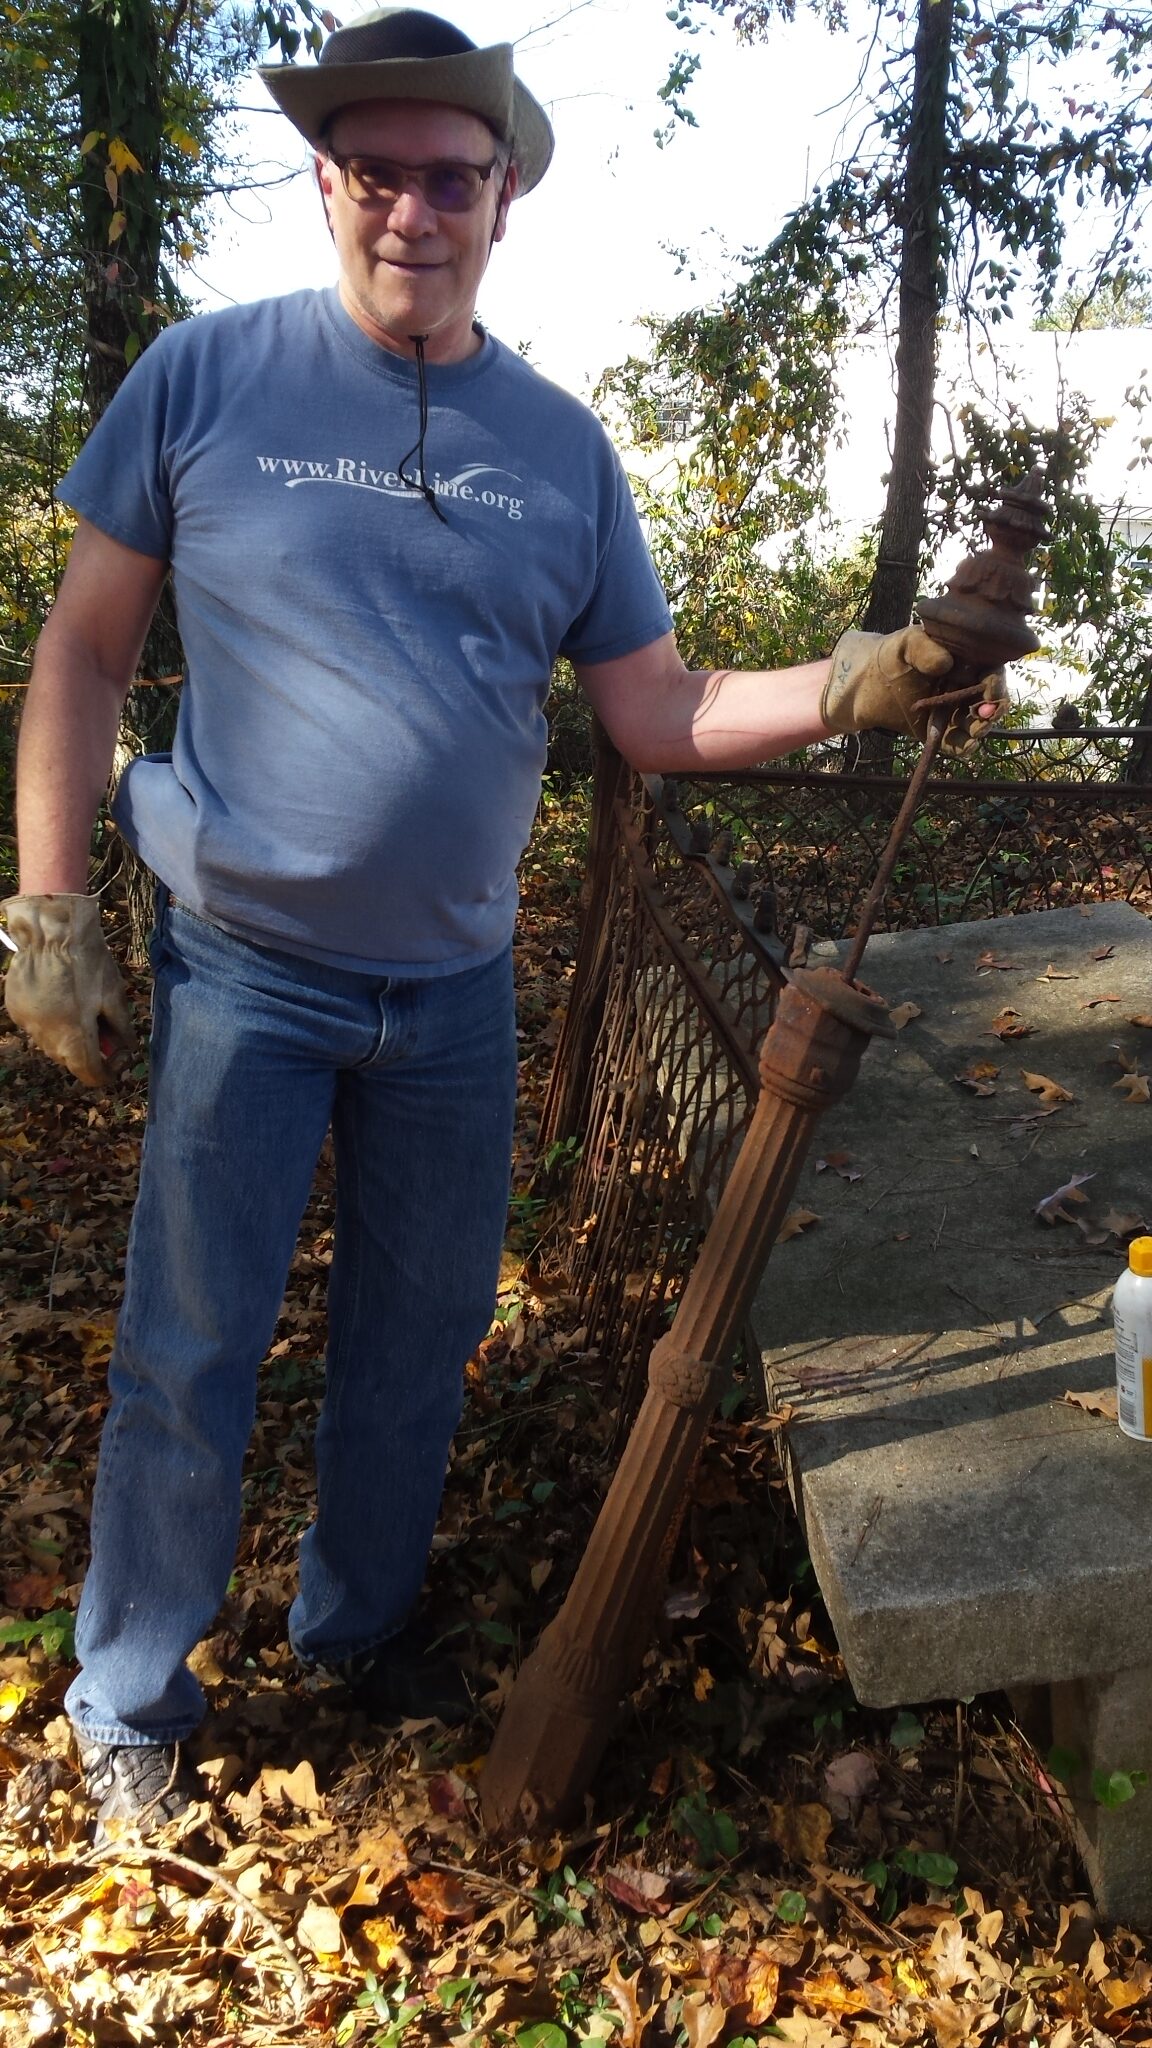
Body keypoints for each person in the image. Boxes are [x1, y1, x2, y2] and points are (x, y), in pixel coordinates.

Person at [1, 6, 1006, 1844]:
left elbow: (656, 712)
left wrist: (871, 679)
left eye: (448, 176)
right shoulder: (208, 381)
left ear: (504, 201)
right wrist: (47, 906)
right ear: (326, 183)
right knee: (192, 1337)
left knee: (417, 1333)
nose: (411, 208)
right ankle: (134, 1690)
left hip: (456, 991)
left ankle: (361, 1628)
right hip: (243, 971)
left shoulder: (559, 447)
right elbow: (83, 648)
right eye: (374, 170)